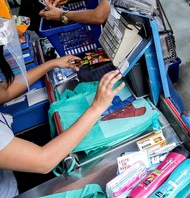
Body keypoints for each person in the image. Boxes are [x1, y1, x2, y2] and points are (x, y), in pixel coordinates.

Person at [0, 64, 123, 197]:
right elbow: (44, 161)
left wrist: (51, 64)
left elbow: (5, 91)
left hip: (10, 174)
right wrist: (97, 107)